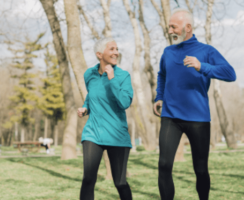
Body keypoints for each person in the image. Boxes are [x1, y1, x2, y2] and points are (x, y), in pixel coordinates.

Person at [153, 9, 236, 200]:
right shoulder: (168, 52)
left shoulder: (206, 51)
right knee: (164, 165)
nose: (170, 30)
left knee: (200, 169)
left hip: (198, 118)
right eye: (169, 27)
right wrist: (159, 97)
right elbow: (162, 75)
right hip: (170, 117)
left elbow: (230, 74)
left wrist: (202, 66)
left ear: (187, 27)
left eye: (173, 26)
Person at [77, 37, 133, 200]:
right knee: (88, 179)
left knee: (120, 183)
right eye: (112, 49)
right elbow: (91, 95)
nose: (116, 52)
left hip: (117, 136)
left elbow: (124, 103)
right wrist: (85, 107)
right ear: (100, 54)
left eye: (117, 49)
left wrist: (112, 78)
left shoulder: (123, 76)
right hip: (93, 133)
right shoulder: (89, 74)